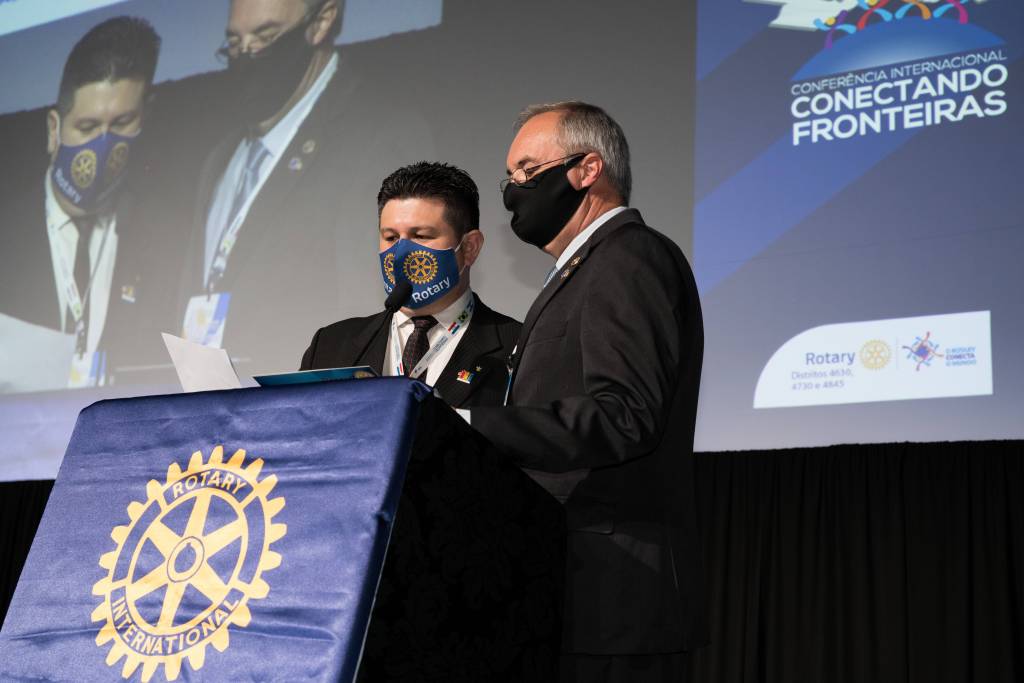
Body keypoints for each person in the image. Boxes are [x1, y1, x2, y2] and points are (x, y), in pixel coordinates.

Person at [469, 102, 708, 682]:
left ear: (587, 169)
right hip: (575, 592)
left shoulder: (628, 256)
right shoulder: (584, 268)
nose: (513, 191)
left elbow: (625, 414)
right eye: (509, 177)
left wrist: (471, 424)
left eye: (528, 171)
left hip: (616, 596)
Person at [178, 0, 431, 375]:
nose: (247, 55)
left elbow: (375, 304)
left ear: (323, 20)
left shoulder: (377, 136)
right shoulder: (222, 157)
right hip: (210, 397)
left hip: (310, 397)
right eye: (234, 43)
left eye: (265, 36)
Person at [0, 17, 163, 391]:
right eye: (87, 128)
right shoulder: (5, 237)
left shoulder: (165, 235)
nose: (102, 146)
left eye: (122, 123)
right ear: (54, 129)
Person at [300, 162, 519, 408]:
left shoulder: (520, 346)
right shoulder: (330, 345)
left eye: (421, 236)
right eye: (391, 237)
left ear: (470, 247)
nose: (401, 253)